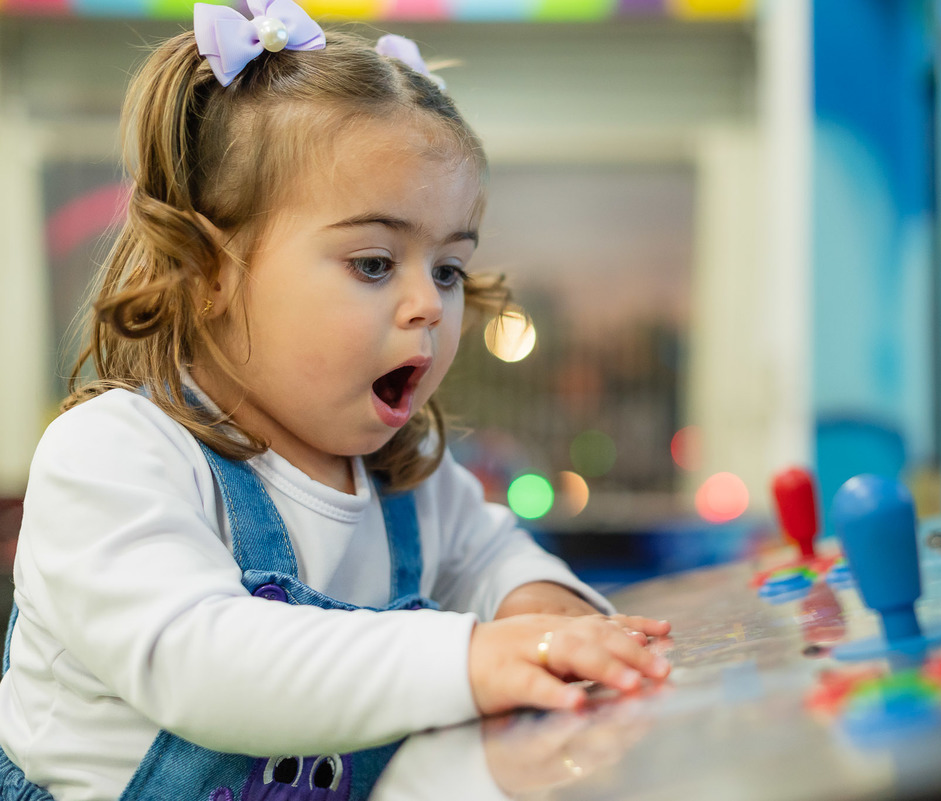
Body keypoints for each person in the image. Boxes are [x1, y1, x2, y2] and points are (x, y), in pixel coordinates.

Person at [0, 3, 671, 799]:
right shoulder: (113, 456)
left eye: (449, 269)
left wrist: (547, 618)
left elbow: (495, 558)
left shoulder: (407, 479)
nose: (429, 303)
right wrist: (470, 657)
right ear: (210, 271)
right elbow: (205, 664)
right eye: (376, 262)